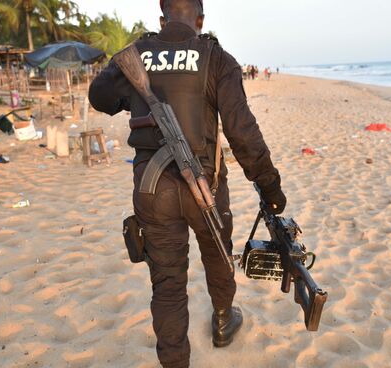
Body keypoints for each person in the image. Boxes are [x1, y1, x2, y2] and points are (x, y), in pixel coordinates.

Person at [89, 1, 286, 367]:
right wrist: (270, 188)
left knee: (167, 286)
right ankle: (224, 319)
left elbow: (99, 97)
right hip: (206, 188)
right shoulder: (217, 58)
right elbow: (243, 133)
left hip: (152, 191)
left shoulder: (137, 53)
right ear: (200, 20)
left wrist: (128, 74)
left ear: (162, 20)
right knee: (218, 256)